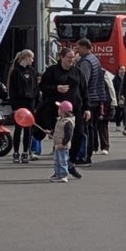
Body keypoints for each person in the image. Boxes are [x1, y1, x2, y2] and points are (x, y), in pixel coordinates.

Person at [39, 47, 88, 178]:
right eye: (69, 58)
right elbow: (42, 86)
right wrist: (56, 88)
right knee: (61, 140)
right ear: (61, 57)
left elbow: (84, 90)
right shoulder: (52, 71)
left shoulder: (77, 72)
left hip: (75, 109)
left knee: (79, 134)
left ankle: (71, 162)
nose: (71, 60)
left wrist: (87, 108)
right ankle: (60, 168)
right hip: (58, 111)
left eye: (73, 58)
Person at [8, 48, 40, 163]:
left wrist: (36, 103)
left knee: (28, 129)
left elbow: (36, 88)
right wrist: (14, 107)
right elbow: (12, 90)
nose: (32, 60)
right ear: (26, 57)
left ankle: (26, 152)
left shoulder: (32, 71)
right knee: (18, 128)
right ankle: (16, 152)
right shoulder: (16, 72)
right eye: (31, 58)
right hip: (19, 103)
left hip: (29, 103)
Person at [74, 38, 102, 164]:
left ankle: (84, 155)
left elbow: (83, 82)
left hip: (88, 99)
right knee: (91, 128)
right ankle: (87, 153)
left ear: (85, 47)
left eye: (78, 47)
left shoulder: (85, 62)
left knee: (85, 129)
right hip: (95, 97)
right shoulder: (94, 59)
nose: (77, 50)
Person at [49, 100, 76, 182]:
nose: (58, 110)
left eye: (59, 109)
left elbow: (68, 136)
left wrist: (63, 144)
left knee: (63, 161)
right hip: (57, 145)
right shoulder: (60, 120)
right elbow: (57, 131)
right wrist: (50, 132)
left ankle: (64, 175)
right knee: (56, 161)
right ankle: (58, 175)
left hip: (63, 146)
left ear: (63, 111)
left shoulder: (68, 122)